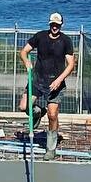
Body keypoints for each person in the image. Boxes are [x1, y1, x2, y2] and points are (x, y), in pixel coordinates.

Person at [20, 12, 76, 156]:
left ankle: (51, 148)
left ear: (61, 25)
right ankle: (38, 112)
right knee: (24, 106)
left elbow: (70, 65)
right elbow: (24, 51)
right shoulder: (40, 36)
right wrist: (27, 62)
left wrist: (59, 80)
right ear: (49, 24)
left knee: (52, 115)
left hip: (55, 84)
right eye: (53, 24)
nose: (55, 27)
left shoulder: (66, 41)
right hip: (38, 80)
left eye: (57, 24)